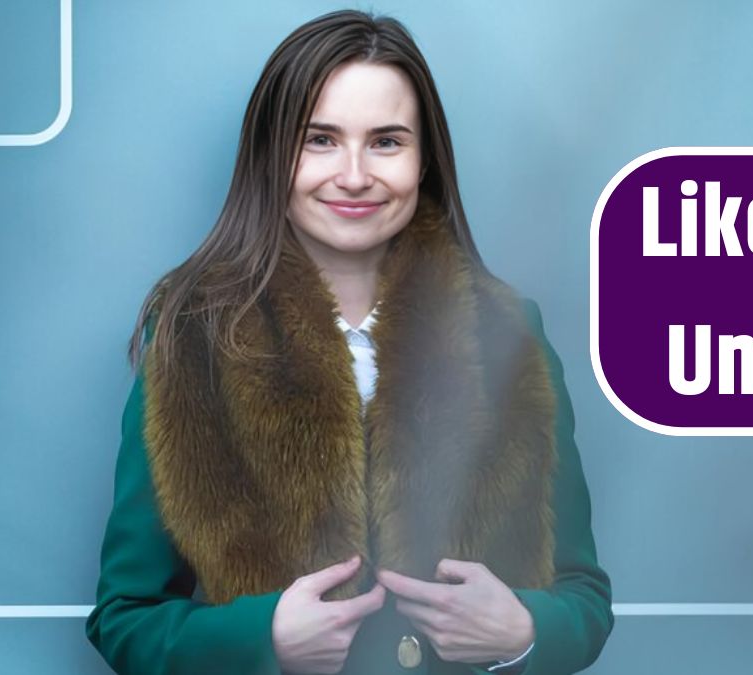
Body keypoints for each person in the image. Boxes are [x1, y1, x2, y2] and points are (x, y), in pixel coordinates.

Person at [85, 9, 613, 675]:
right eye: (320, 140)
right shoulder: (194, 336)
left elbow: (584, 595)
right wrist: (264, 638)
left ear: (424, 161)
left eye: (387, 141)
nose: (356, 174)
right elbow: (126, 614)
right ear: (273, 156)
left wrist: (523, 631)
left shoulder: (507, 332)